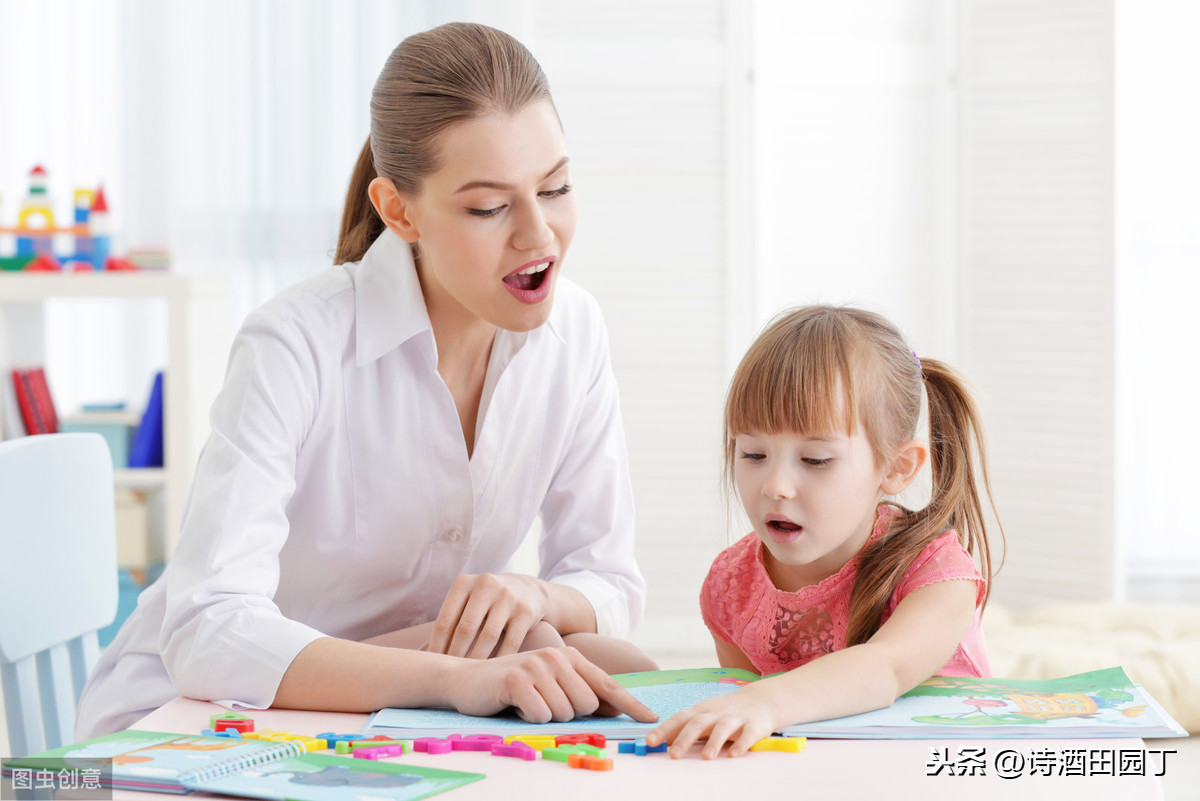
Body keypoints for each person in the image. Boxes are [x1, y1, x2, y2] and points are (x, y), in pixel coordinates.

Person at [76, 21, 658, 739]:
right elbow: (208, 626)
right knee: (547, 656)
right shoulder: (295, 342)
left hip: (384, 720)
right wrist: (458, 679)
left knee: (591, 655)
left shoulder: (575, 333)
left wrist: (533, 593)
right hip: (190, 719)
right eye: (489, 206)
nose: (539, 235)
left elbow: (609, 581)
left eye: (556, 186)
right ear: (398, 210)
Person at [646, 305, 1003, 758]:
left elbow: (885, 668)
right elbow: (748, 731)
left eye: (815, 460)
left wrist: (766, 701)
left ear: (896, 468)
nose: (775, 486)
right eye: (753, 454)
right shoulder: (730, 585)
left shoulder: (938, 572)